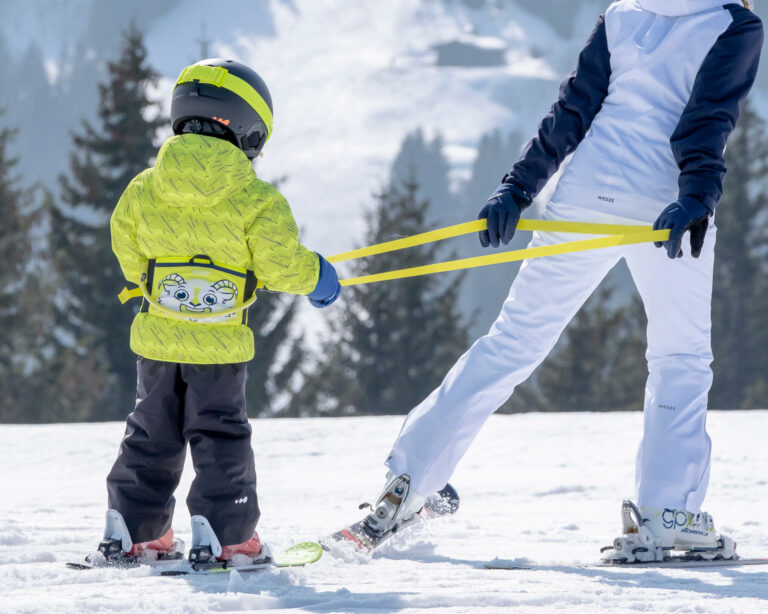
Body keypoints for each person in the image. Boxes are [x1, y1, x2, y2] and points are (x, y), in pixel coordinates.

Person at [361, 0, 763, 562]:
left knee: (514, 339)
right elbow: (707, 118)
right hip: (665, 206)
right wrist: (695, 198)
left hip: (586, 193)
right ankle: (668, 513)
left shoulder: (621, 13)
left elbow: (573, 108)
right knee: (679, 357)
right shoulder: (733, 24)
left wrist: (517, 188)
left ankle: (406, 485)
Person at [94, 58, 341, 565]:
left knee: (151, 430)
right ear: (248, 130)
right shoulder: (257, 199)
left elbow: (127, 252)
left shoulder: (144, 188)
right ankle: (227, 537)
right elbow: (280, 263)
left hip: (159, 343)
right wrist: (317, 276)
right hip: (218, 346)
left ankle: (133, 531)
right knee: (219, 434)